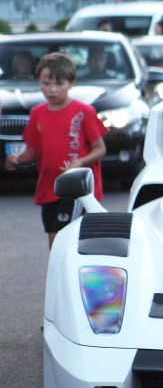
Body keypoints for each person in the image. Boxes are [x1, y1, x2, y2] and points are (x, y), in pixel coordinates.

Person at [5, 53, 107, 249]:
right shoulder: (37, 113)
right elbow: (33, 150)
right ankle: (59, 276)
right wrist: (17, 159)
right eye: (46, 83)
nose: (52, 90)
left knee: (65, 237)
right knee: (53, 235)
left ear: (71, 83)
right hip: (48, 186)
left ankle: (66, 274)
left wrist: (80, 161)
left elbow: (100, 148)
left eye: (59, 84)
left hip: (75, 188)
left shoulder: (83, 112)